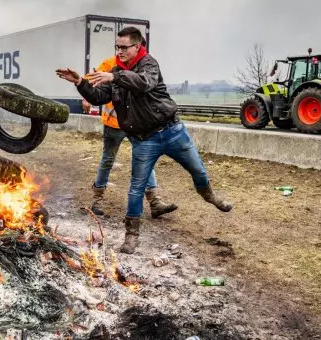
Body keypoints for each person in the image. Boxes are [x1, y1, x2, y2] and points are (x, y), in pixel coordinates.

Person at [57, 27, 233, 254]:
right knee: (136, 189)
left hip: (172, 132)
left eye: (123, 47)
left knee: (198, 171)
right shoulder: (116, 71)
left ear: (137, 47)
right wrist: (80, 82)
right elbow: (98, 96)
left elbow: (143, 83)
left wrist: (114, 76)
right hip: (143, 141)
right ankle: (131, 236)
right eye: (117, 47)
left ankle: (211, 196)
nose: (119, 51)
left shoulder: (149, 64)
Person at [83, 39, 177, 218]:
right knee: (108, 159)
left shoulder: (144, 65)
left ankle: (155, 201)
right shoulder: (110, 63)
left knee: (144, 159)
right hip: (114, 122)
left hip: (137, 124)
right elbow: (91, 79)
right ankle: (97, 199)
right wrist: (87, 97)